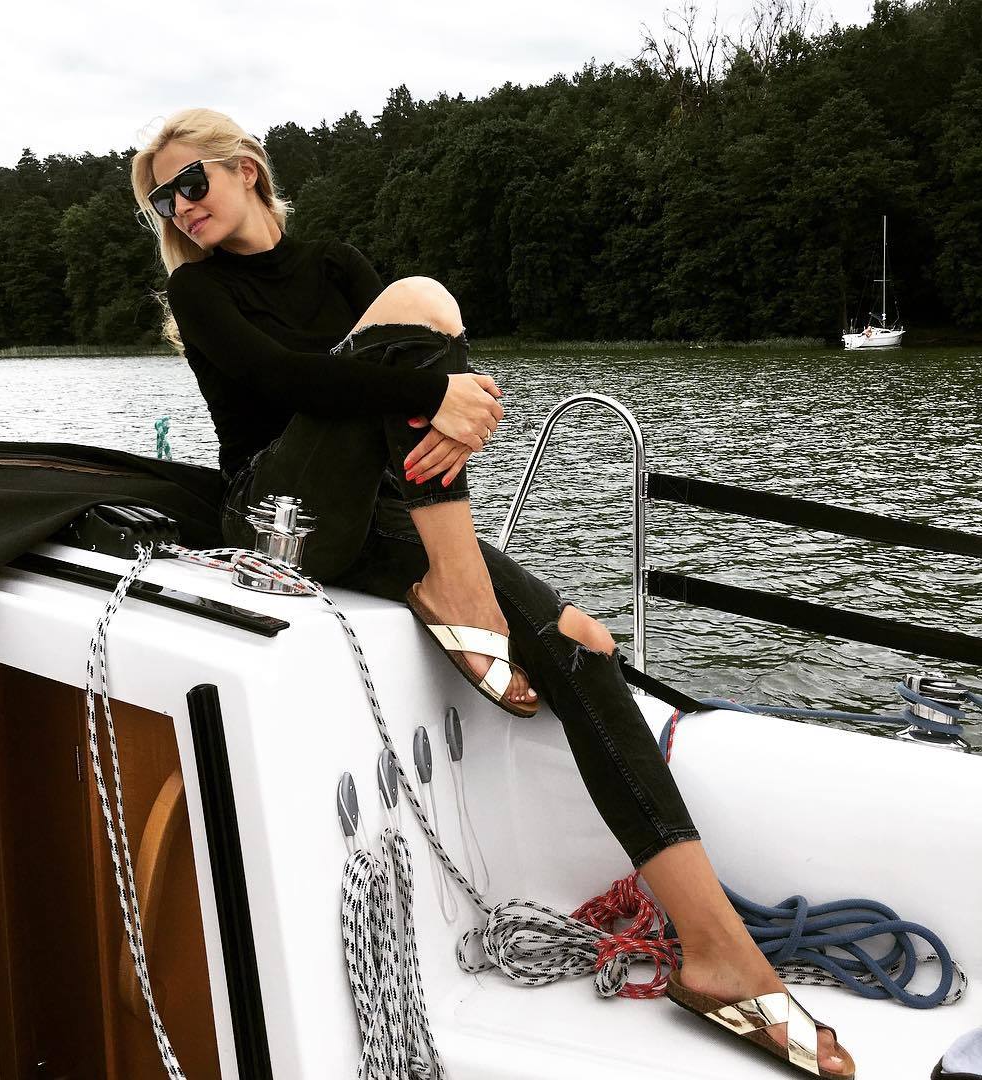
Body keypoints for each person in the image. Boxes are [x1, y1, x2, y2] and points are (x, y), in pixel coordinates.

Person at [131, 107, 853, 1077]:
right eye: (161, 200)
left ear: (246, 169)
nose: (179, 208)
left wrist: (449, 411)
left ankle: (720, 953)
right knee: (419, 304)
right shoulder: (204, 291)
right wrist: (441, 399)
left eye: (191, 183)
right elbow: (294, 380)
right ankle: (460, 589)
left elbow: (410, 383)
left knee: (583, 651)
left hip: (386, 512)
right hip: (280, 512)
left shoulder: (336, 265)